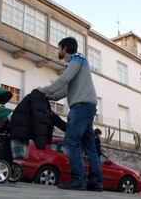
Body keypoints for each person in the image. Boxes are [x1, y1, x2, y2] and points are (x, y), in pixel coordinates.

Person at [39, 37, 103, 191]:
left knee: (71, 141)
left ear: (65, 48)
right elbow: (66, 89)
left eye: (59, 47)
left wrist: (44, 90)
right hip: (87, 107)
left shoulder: (77, 59)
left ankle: (78, 180)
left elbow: (64, 79)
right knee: (90, 147)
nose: (58, 51)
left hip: (80, 107)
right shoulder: (77, 65)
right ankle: (96, 183)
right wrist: (49, 96)